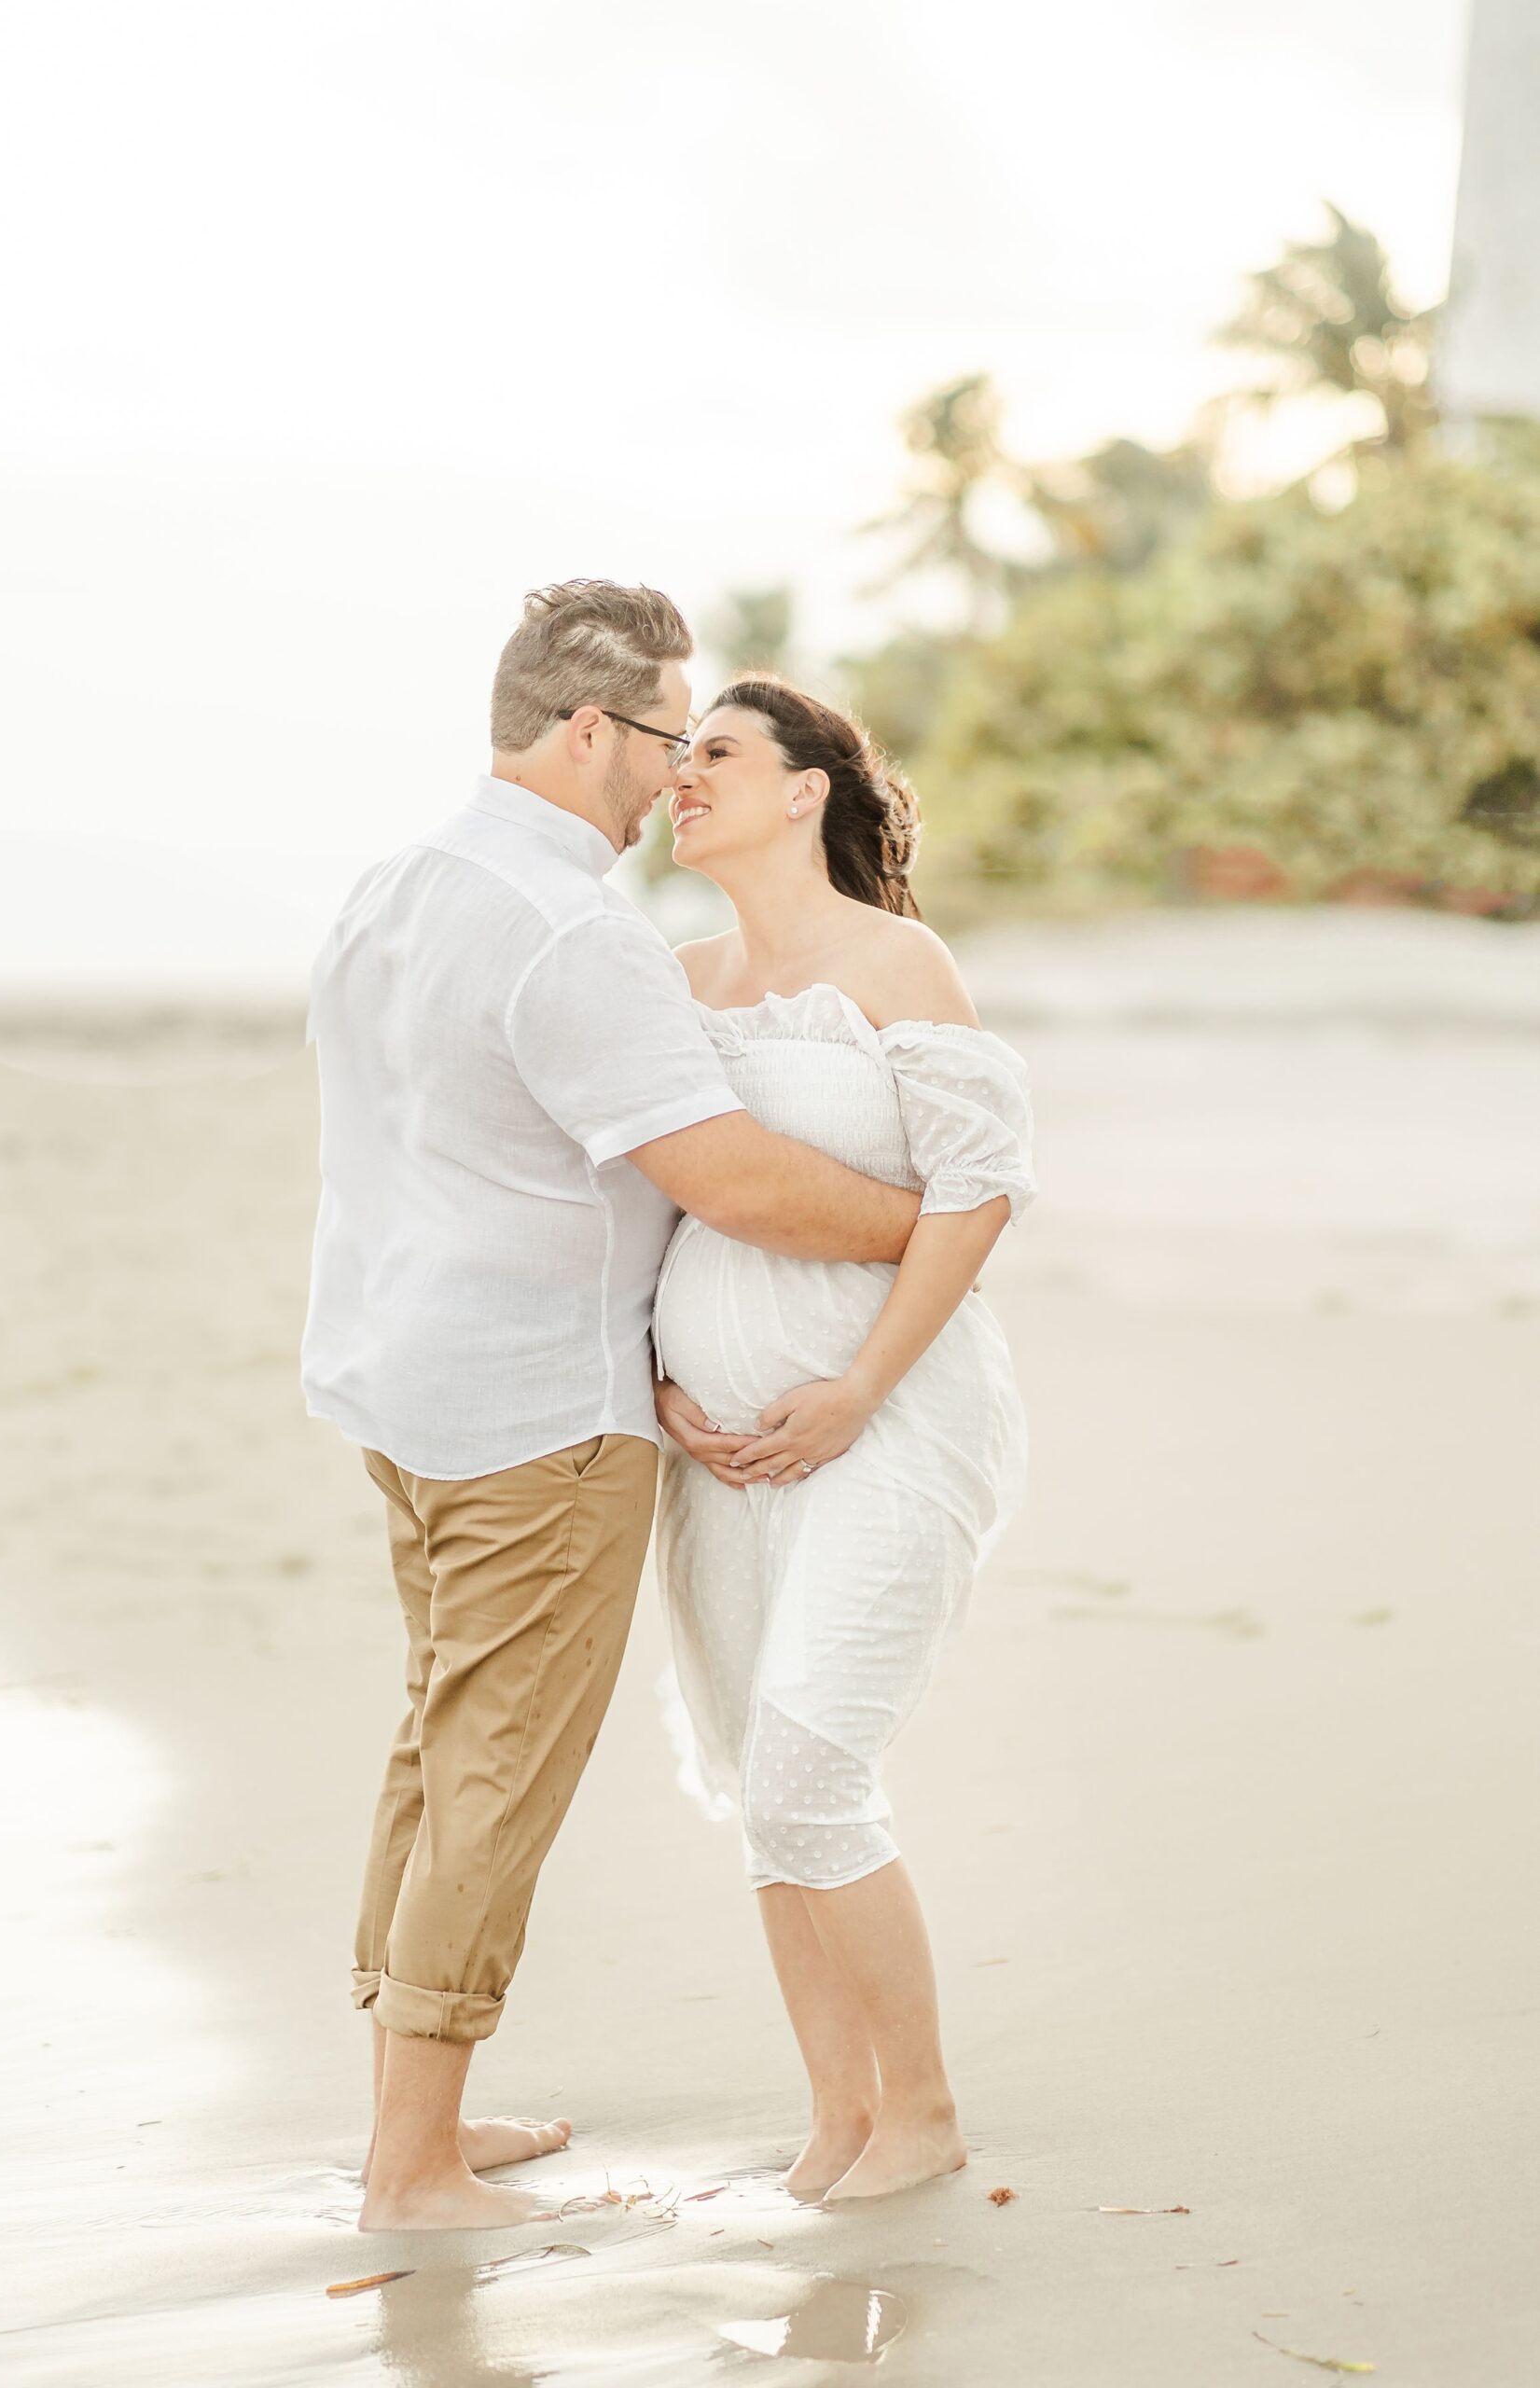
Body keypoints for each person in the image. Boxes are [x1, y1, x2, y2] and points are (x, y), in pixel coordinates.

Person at [300, 583, 926, 2231]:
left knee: (439, 1751)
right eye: (664, 737)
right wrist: (926, 1232)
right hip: (537, 1420)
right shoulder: (576, 933)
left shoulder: (396, 887)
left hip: (400, 1384)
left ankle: (408, 2129)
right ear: (592, 731)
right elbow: (723, 1174)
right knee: (494, 1774)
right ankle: (417, 2169)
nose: (672, 779)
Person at [652, 676, 1036, 2202]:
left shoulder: (897, 962)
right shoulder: (674, 979)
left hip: (889, 1422)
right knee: (762, 1778)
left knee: (813, 1757)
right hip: (719, 1453)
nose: (686, 780)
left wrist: (863, 1384)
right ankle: (837, 2114)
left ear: (808, 789)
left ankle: (924, 2112)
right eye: (676, 763)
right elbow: (642, 1210)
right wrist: (666, 1390)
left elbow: (980, 1187)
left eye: (718, 757)